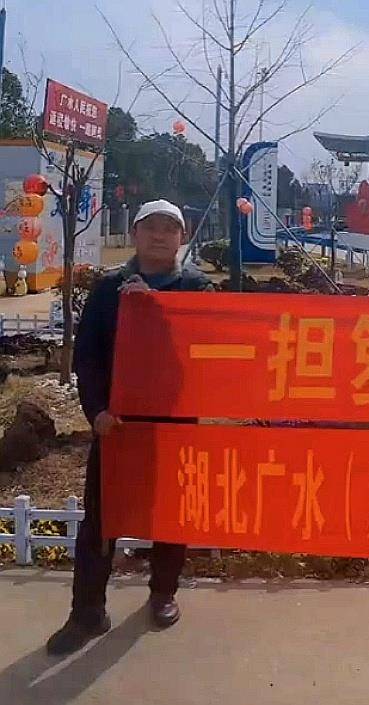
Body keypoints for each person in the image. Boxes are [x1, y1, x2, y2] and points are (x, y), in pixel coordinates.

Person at [47, 200, 213, 656]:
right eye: (150, 227)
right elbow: (88, 357)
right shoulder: (108, 289)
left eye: (169, 228)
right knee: (101, 520)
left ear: (182, 237)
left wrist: (153, 309)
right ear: (135, 235)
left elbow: (207, 351)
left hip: (174, 421)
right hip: (117, 426)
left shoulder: (196, 289)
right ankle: (87, 612)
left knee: (170, 512)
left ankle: (163, 593)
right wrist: (96, 411)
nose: (159, 235)